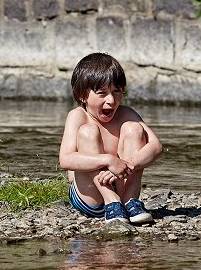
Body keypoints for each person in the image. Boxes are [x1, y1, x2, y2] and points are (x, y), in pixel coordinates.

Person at [59, 52, 162, 224]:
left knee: (134, 129)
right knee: (88, 132)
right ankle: (111, 202)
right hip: (89, 195)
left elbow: (156, 147)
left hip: (122, 191)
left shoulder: (126, 113)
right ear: (82, 96)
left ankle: (130, 202)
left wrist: (128, 164)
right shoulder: (77, 116)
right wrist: (108, 160)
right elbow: (65, 159)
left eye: (116, 92)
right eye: (102, 93)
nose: (111, 100)